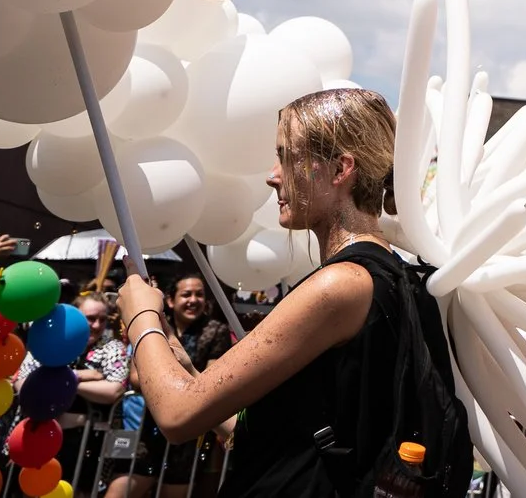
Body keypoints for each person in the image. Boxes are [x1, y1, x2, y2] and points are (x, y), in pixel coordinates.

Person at [116, 87, 468, 498]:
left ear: (340, 169)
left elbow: (177, 415)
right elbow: (292, 438)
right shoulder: (391, 280)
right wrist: (186, 369)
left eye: (287, 156)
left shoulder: (342, 284)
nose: (272, 175)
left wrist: (140, 315)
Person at [120, 276, 239, 497]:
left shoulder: (215, 330)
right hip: (150, 428)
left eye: (199, 294)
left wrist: (160, 374)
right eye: (186, 294)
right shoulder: (155, 328)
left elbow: (212, 381)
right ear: (171, 300)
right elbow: (136, 378)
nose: (193, 300)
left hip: (191, 430)